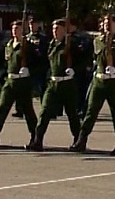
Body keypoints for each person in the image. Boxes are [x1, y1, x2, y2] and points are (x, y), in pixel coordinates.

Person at [72, 13, 115, 155]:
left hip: (113, 81)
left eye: (110, 22)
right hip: (99, 81)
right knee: (90, 112)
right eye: (105, 22)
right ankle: (81, 140)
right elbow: (94, 58)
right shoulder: (97, 41)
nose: (106, 25)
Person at [28, 19, 86, 152]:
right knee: (44, 112)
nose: (55, 32)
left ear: (64, 30)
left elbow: (84, 60)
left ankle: (79, 140)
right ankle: (37, 140)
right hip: (53, 83)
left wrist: (74, 70)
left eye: (58, 29)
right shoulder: (52, 44)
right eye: (53, 29)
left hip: (67, 83)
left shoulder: (72, 44)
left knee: (72, 114)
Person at [0, 19, 38, 148]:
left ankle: (35, 137)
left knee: (28, 112)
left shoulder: (28, 46)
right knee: (1, 110)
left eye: (17, 29)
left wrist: (29, 70)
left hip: (23, 82)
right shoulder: (9, 45)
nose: (15, 32)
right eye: (13, 29)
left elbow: (39, 63)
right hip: (10, 81)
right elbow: (6, 62)